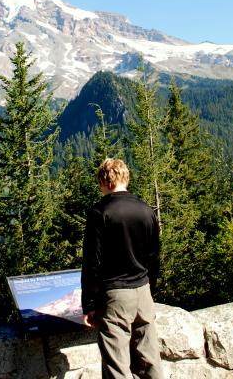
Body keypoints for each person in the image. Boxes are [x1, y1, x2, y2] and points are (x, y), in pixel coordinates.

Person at [81, 158, 163, 379]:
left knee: (117, 365)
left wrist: (88, 303)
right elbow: (154, 256)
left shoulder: (99, 213)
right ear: (126, 178)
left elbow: (92, 262)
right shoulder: (146, 210)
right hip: (143, 291)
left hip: (114, 296)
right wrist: (148, 288)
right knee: (150, 360)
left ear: (103, 180)